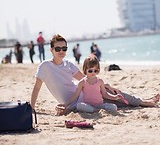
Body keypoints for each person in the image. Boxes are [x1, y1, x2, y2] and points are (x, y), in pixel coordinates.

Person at [31, 34, 160, 115]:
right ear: (51, 50)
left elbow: (86, 79)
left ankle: (142, 101)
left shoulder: (68, 64)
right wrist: (31, 108)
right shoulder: (45, 66)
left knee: (114, 93)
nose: (61, 51)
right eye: (57, 49)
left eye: (64, 48)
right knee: (118, 102)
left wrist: (107, 85)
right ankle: (142, 102)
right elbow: (36, 88)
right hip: (76, 103)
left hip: (88, 93)